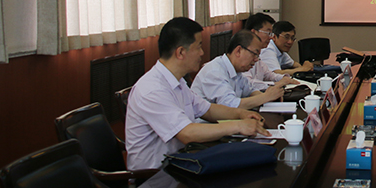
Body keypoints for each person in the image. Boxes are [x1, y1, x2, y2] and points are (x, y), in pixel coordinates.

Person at [125, 17, 270, 170]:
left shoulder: (178, 82)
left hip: (180, 161)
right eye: (199, 47)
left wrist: (241, 114)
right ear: (181, 52)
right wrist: (238, 125)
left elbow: (208, 110)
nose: (202, 53)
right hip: (155, 176)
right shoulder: (153, 89)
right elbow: (187, 133)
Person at [191, 30, 288, 109]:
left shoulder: (237, 71)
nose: (256, 60)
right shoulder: (214, 71)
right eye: (254, 54)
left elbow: (250, 90)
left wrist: (269, 97)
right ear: (238, 51)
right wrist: (265, 97)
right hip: (206, 125)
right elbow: (230, 105)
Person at [242, 13, 299, 90]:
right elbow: (247, 83)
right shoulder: (243, 54)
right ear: (254, 32)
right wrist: (276, 84)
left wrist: (284, 78)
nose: (271, 37)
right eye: (268, 33)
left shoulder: (257, 55)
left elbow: (268, 75)